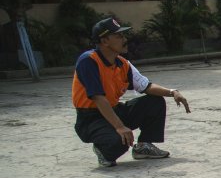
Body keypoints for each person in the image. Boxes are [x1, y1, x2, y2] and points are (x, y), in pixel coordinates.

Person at [72, 17, 189, 167]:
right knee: (119, 142)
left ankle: (143, 147)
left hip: (113, 110)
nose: (124, 39)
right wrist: (120, 127)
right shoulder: (88, 61)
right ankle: (103, 149)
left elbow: (146, 86)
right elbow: (98, 98)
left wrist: (173, 92)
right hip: (91, 119)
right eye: (119, 36)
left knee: (155, 100)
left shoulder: (122, 64)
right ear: (105, 41)